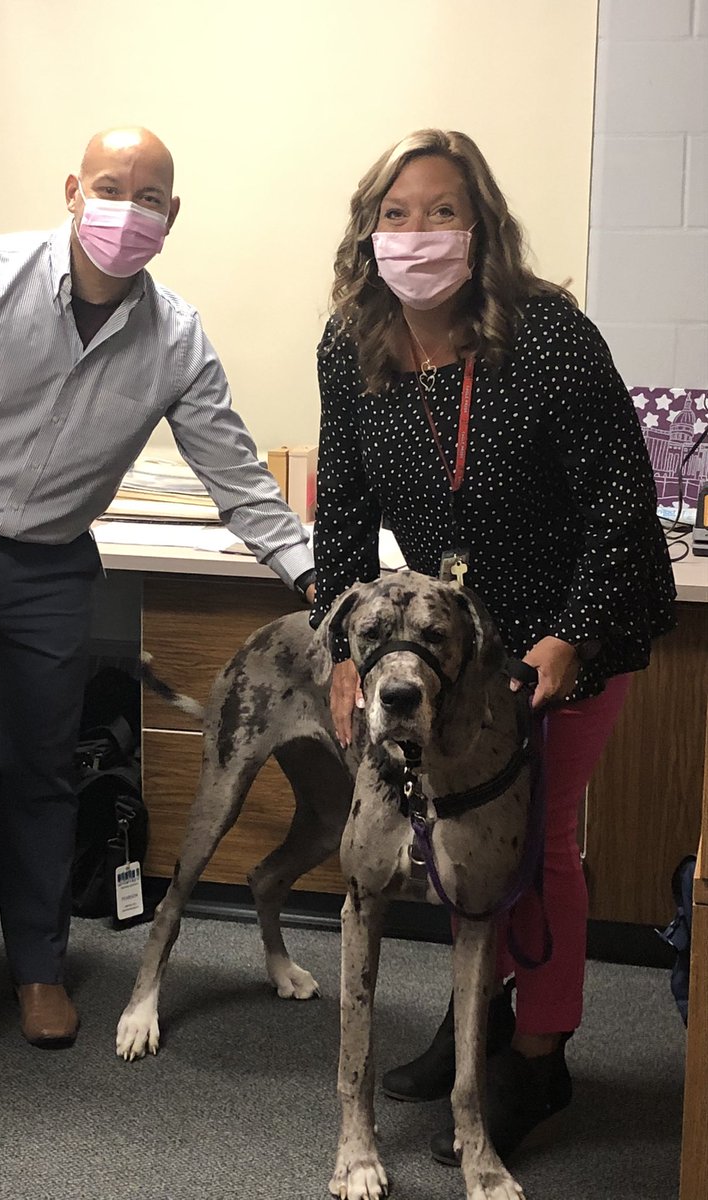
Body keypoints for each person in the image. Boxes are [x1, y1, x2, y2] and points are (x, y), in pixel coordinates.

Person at [0, 126, 316, 1049]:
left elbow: (235, 477)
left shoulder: (177, 339)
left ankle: (38, 969)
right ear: (73, 190)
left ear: (172, 217)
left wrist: (321, 578)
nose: (129, 209)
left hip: (51, 567)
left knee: (43, 770)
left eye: (150, 196)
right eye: (112, 187)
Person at [308, 128, 675, 1164]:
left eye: (442, 212)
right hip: (452, 645)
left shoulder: (547, 336)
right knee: (458, 839)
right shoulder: (352, 345)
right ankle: (486, 1019)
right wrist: (337, 646)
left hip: (568, 623)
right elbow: (339, 509)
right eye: (396, 214)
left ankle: (541, 1051)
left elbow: (619, 504)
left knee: (537, 839)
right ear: (367, 231)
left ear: (484, 228)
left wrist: (569, 637)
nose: (418, 234)